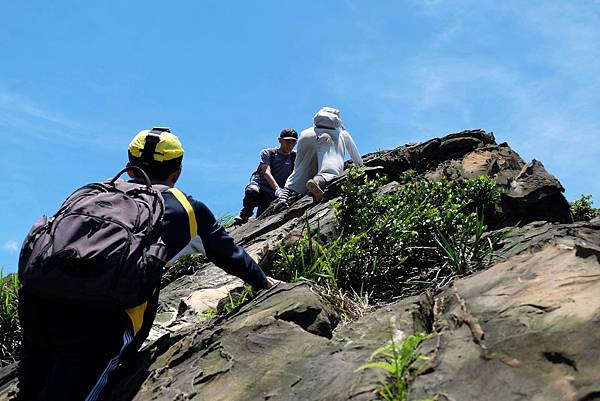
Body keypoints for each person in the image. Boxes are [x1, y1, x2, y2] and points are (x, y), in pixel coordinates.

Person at [17, 127, 277, 401]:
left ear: (130, 168)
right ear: (176, 172)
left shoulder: (95, 191)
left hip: (38, 304)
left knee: (30, 391)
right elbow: (230, 254)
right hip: (100, 321)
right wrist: (264, 282)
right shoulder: (186, 208)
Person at [276, 107, 363, 206]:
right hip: (328, 137)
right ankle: (316, 183)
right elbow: (357, 160)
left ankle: (283, 198)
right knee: (329, 170)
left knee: (299, 171)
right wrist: (359, 167)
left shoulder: (307, 131)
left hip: (306, 137)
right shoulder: (342, 133)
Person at [233, 128, 298, 224]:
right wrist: (278, 189)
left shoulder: (294, 156)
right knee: (252, 191)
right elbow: (266, 172)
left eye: (293, 142)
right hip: (262, 187)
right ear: (280, 140)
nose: (290, 144)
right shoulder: (269, 153)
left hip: (272, 194)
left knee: (261, 219)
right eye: (287, 141)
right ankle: (245, 213)